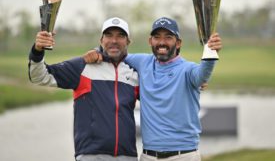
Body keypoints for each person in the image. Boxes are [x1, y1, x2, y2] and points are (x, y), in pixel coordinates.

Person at [84, 17, 222, 161]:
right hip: (148, 156)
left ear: (178, 42)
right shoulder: (142, 62)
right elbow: (114, 53)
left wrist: (210, 53)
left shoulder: (188, 70)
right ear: (150, 41)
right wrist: (96, 50)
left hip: (184, 155)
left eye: (168, 37)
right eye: (157, 37)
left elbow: (202, 75)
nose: (162, 42)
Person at [28, 17, 139, 161]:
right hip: (91, 155)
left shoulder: (135, 72)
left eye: (120, 36)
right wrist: (38, 50)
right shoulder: (83, 65)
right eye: (109, 35)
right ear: (101, 40)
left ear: (128, 42)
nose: (114, 40)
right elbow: (39, 76)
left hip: (127, 156)